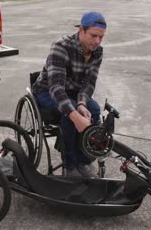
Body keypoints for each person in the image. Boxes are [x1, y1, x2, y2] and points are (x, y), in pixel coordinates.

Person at [31, 11, 106, 177]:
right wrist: (74, 115)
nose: (97, 41)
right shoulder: (61, 46)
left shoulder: (98, 52)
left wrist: (81, 104)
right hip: (46, 90)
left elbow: (89, 83)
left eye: (101, 37)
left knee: (93, 110)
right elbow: (56, 87)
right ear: (81, 31)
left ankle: (83, 161)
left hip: (73, 91)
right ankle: (70, 165)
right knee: (70, 116)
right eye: (93, 36)